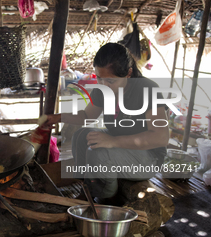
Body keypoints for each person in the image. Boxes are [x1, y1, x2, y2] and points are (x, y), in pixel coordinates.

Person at [43, 43, 169, 202]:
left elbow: (160, 137)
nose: (104, 85)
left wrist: (113, 141)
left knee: (99, 153)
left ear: (128, 73)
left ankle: (106, 198)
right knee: (81, 136)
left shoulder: (148, 90)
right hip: (120, 147)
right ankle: (88, 187)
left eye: (110, 81)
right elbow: (85, 116)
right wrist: (59, 117)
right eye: (100, 78)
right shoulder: (104, 88)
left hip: (148, 158)